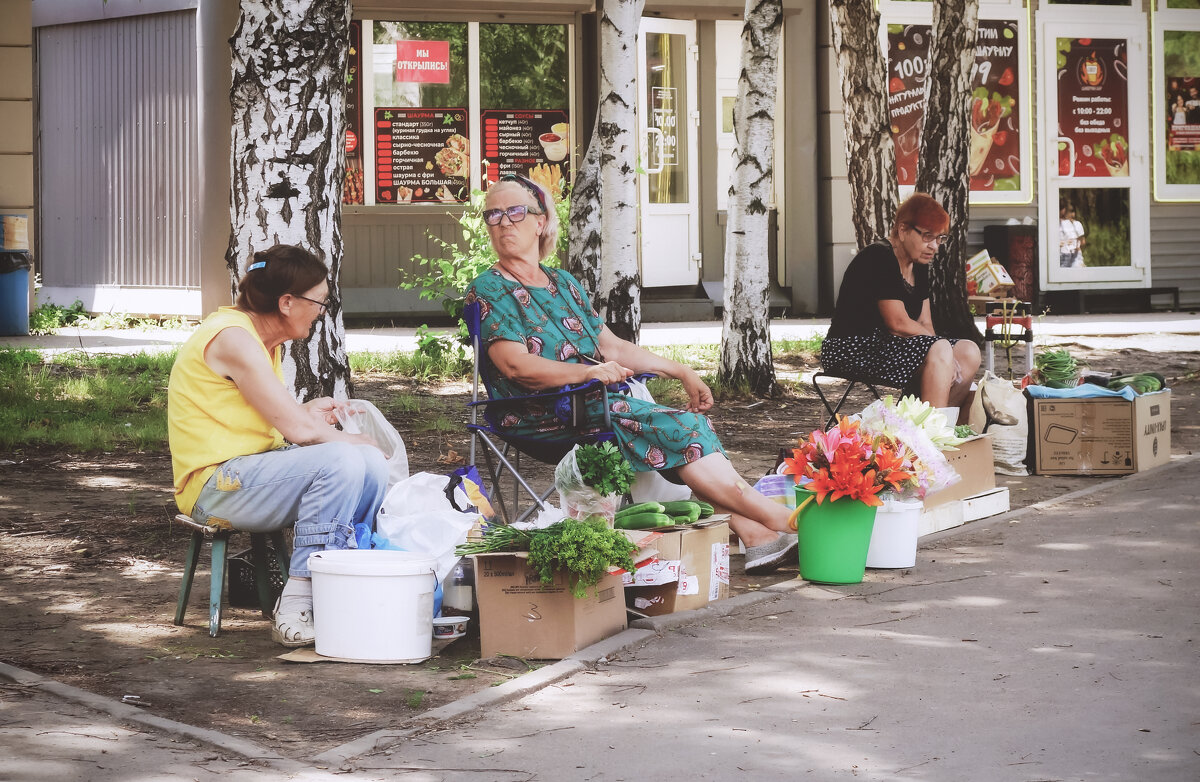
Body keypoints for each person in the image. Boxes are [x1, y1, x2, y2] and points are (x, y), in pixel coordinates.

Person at [464, 174, 797, 574]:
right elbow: (515, 365)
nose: (503, 222)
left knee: (670, 433)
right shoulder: (488, 289)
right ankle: (777, 519)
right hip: (540, 413)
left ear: (541, 221)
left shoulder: (563, 283)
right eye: (493, 214)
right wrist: (586, 374)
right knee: (679, 430)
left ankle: (757, 536)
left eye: (515, 211)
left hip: (598, 405)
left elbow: (613, 346)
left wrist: (680, 370)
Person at [167, 244, 388, 647]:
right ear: (287, 302)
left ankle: (351, 581)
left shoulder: (262, 341)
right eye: (319, 301)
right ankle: (301, 600)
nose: (322, 310)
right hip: (214, 486)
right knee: (344, 457)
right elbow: (298, 431)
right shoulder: (234, 338)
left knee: (369, 464)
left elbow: (266, 420)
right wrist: (338, 435)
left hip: (249, 472)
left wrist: (306, 413)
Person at [820, 192, 981, 411]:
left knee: (969, 351)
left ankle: (937, 428)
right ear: (903, 230)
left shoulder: (920, 265)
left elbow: (925, 324)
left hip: (890, 347)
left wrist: (944, 352)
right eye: (927, 236)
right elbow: (898, 324)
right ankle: (928, 440)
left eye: (939, 238)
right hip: (854, 348)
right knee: (941, 348)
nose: (934, 246)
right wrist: (941, 350)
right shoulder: (878, 258)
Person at [1059, 204, 1085, 268]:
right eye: (1070, 212)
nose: (1072, 214)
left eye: (1073, 211)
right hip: (1063, 255)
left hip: (1074, 255)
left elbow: (1082, 242)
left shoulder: (1077, 224)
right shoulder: (1060, 225)